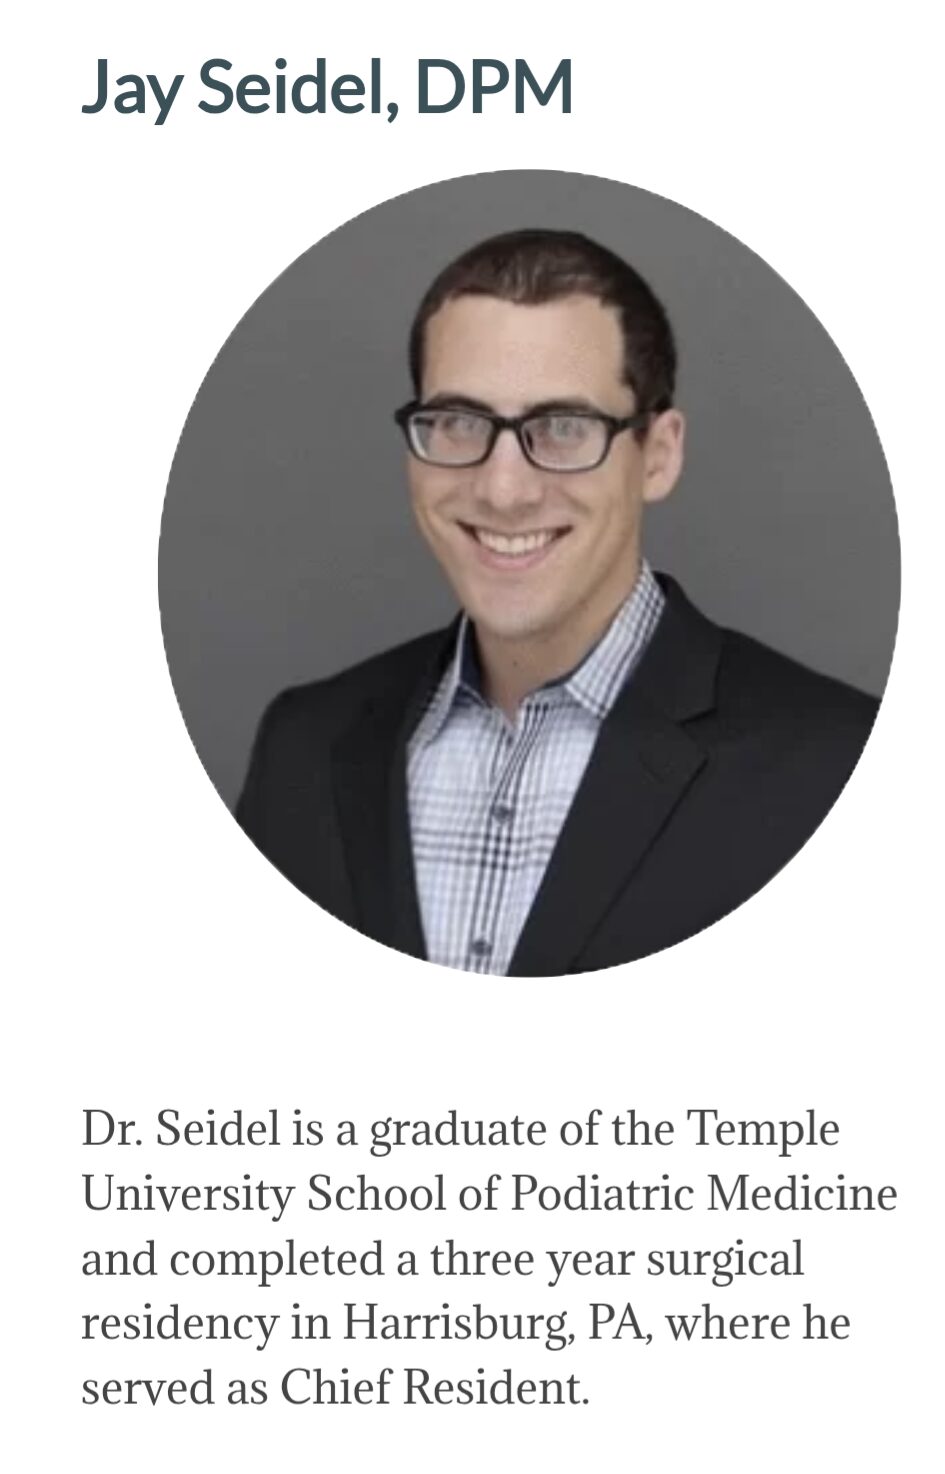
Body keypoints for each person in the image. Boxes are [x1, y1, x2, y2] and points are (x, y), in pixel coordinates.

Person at [236, 228, 877, 974]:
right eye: (459, 422)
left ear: (658, 455)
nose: (504, 489)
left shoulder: (840, 767)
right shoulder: (304, 747)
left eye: (564, 427)